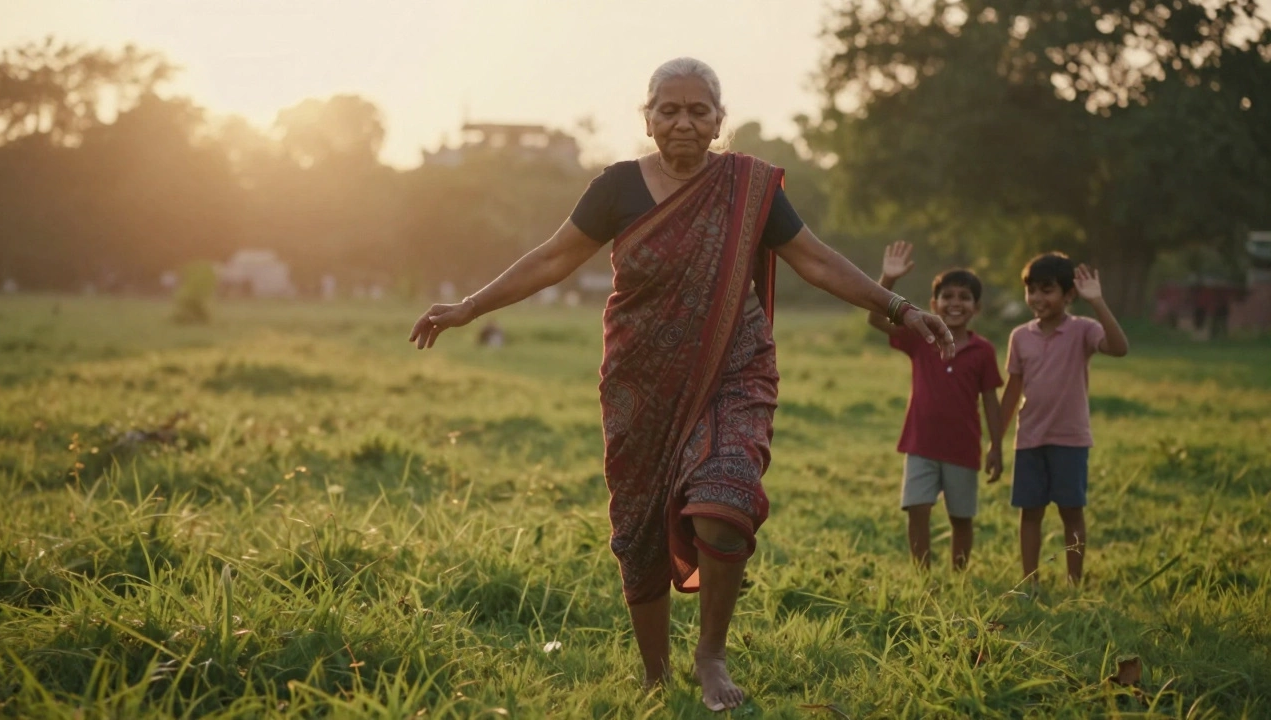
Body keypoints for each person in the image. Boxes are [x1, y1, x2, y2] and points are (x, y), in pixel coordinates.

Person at [408, 57, 956, 712]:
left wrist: (898, 308)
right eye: (669, 109)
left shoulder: (749, 186)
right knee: (638, 526)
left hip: (736, 367)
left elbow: (812, 258)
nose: (684, 122)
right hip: (640, 379)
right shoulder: (616, 188)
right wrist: (468, 306)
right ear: (648, 116)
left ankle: (711, 656)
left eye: (699, 110)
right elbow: (554, 257)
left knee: (724, 505)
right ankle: (654, 673)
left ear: (719, 120)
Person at [866, 242, 1004, 571]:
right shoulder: (921, 335)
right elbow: (875, 318)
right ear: (934, 303)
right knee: (917, 509)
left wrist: (996, 446)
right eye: (948, 296)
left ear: (976, 307)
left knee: (961, 518)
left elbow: (990, 401)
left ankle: (958, 574)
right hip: (920, 444)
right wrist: (889, 278)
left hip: (962, 447)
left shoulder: (983, 351)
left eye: (964, 297)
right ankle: (922, 575)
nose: (955, 303)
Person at [999, 252, 1129, 590]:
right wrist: (995, 442)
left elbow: (1119, 348)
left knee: (1071, 512)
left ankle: (1074, 582)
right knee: (1030, 513)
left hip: (1070, 440)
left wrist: (1098, 302)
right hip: (1029, 439)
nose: (1038, 298)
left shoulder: (1083, 330)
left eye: (1048, 290)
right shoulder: (1020, 337)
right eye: (1032, 290)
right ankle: (1030, 582)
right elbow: (1012, 391)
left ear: (1069, 295)